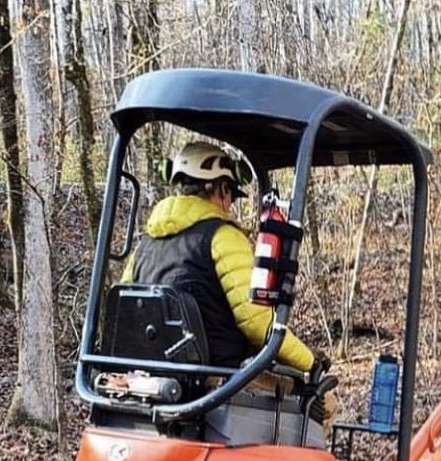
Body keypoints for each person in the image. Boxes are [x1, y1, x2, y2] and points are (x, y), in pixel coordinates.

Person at [123, 139, 331, 400]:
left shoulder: (145, 244)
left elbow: (125, 314)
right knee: (322, 403)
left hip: (155, 383)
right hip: (215, 385)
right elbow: (258, 325)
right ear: (222, 189)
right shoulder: (222, 236)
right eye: (231, 194)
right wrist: (310, 361)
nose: (230, 203)